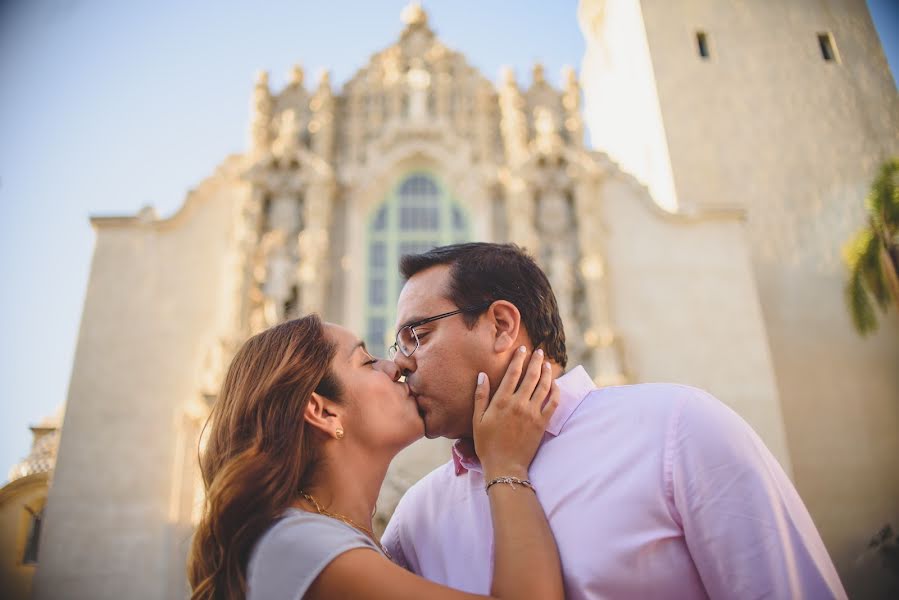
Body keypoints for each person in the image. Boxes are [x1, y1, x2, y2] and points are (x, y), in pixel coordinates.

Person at [383, 242, 847, 599]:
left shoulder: (676, 430)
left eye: (417, 336)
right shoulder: (413, 522)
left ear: (501, 326)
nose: (401, 364)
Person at [187, 314, 565, 600]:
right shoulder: (299, 545)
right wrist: (506, 465)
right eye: (367, 363)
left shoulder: (340, 541)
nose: (395, 366)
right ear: (323, 412)